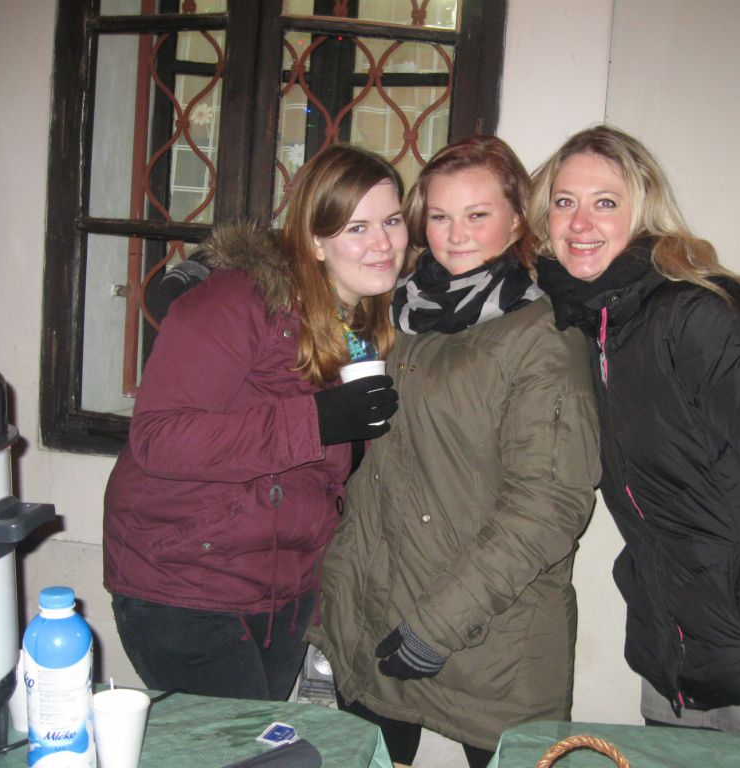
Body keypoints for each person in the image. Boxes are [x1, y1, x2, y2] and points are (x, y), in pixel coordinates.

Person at [529, 125, 740, 735]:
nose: (579, 223)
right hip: (671, 662)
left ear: (644, 212)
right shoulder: (590, 325)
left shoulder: (701, 313)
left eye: (605, 202)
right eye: (564, 201)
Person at [307, 135, 601, 767]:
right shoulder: (400, 307)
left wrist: (438, 626)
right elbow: (307, 273)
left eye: (477, 214)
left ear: (517, 218)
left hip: (492, 635)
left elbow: (551, 505)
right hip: (378, 614)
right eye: (439, 216)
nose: (456, 234)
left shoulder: (544, 332)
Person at [103, 144, 408, 701]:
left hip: (282, 590)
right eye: (357, 227)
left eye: (392, 221)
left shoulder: (359, 322)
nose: (383, 243)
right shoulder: (239, 298)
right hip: (186, 584)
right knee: (236, 745)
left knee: (260, 741)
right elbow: (158, 438)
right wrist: (318, 420)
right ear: (315, 240)